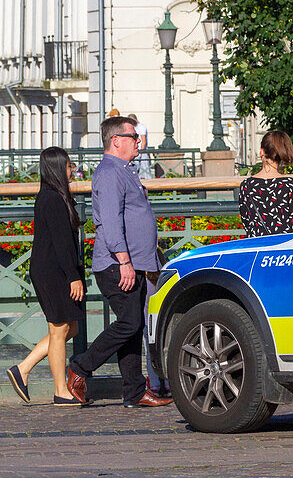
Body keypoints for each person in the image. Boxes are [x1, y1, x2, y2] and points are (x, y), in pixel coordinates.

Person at [65, 117, 172, 409]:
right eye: (132, 136)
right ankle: (80, 367)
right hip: (116, 264)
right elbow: (111, 223)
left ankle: (135, 392)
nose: (138, 140)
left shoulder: (123, 170)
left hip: (133, 263)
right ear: (116, 140)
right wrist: (124, 261)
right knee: (129, 323)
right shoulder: (110, 173)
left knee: (133, 327)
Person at [5, 148, 84, 406]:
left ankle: (23, 368)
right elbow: (62, 243)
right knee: (60, 328)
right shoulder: (51, 199)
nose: (73, 171)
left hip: (52, 269)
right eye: (69, 166)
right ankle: (61, 391)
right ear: (57, 168)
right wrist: (73, 276)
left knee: (68, 327)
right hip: (53, 272)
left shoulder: (54, 196)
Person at [238, 130, 293, 237]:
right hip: (284, 249)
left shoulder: (247, 185)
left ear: (261, 152)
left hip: (258, 247)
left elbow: (247, 223)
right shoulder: (290, 184)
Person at [129, 113, 153, 180]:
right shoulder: (133, 127)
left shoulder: (141, 127)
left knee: (145, 170)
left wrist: (141, 152)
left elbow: (143, 140)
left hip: (141, 151)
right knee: (135, 169)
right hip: (134, 151)